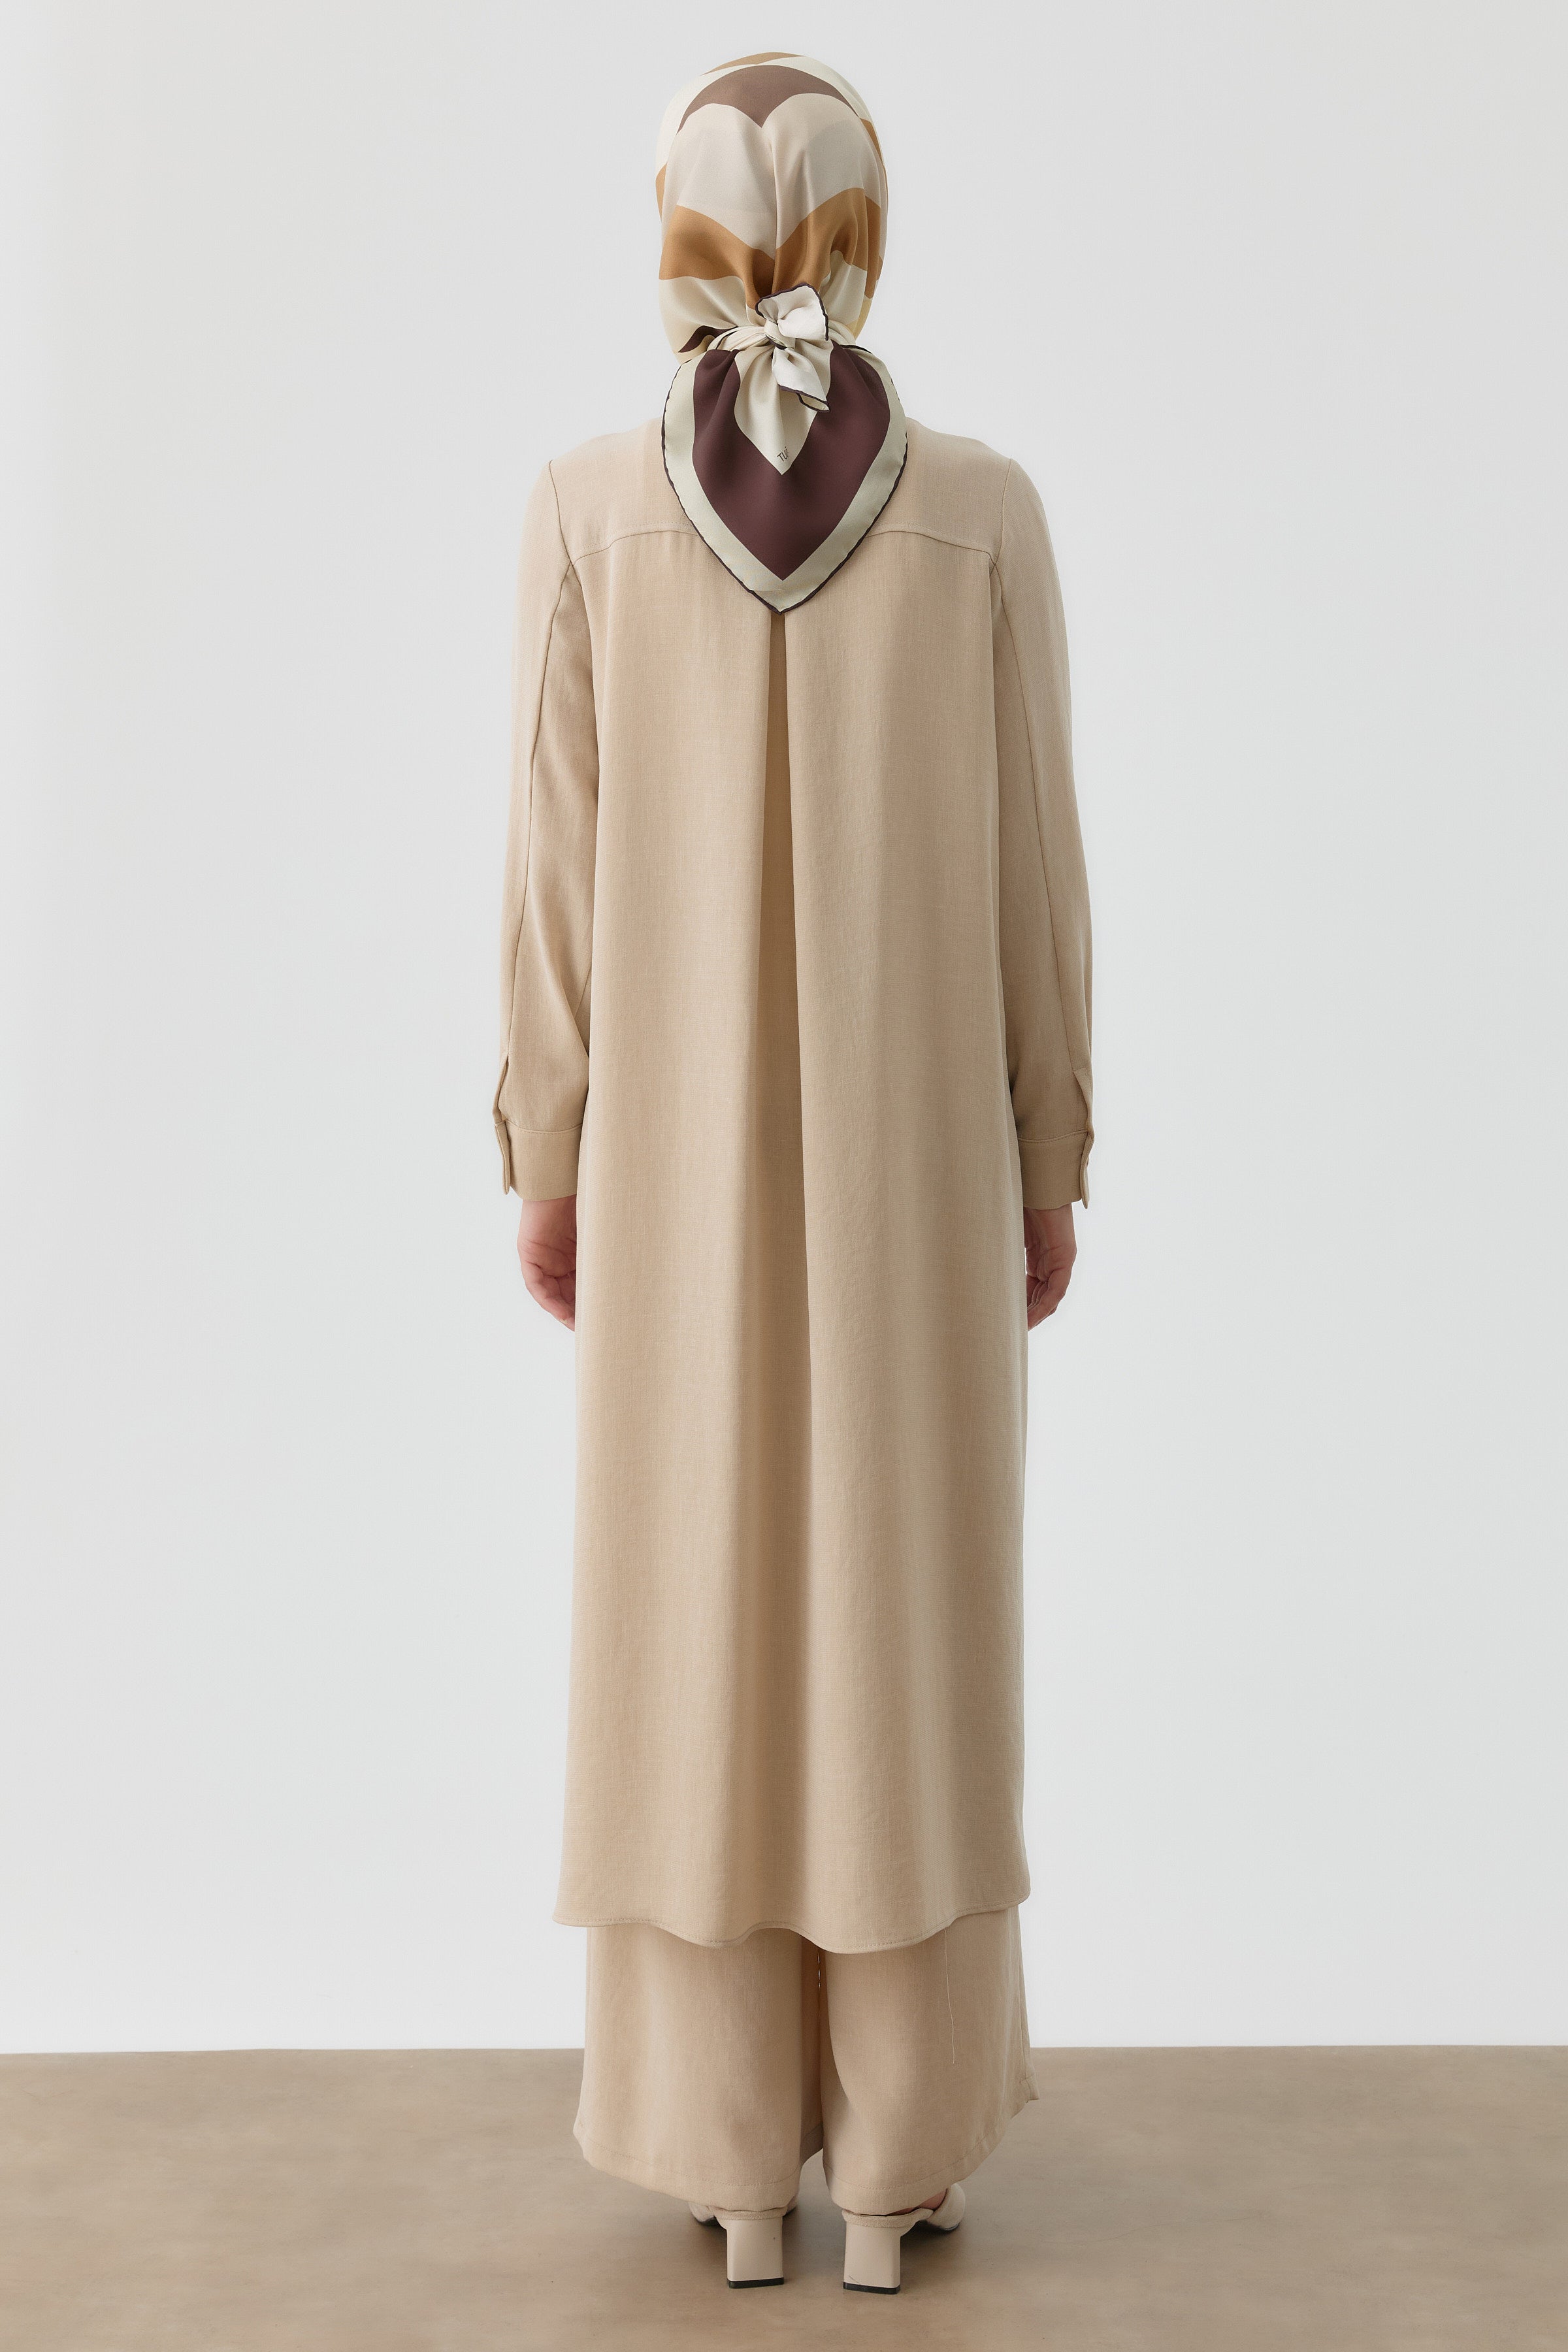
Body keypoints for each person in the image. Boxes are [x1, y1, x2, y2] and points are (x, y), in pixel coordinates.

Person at [495, 52, 1092, 2295]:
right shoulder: (983, 512)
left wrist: (551, 1143)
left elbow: (553, 882)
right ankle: (898, 2164)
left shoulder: (585, 509)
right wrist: (1048, 1142)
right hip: (924, 1173)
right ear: (866, 230)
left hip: (670, 1179)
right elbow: (1036, 867)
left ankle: (732, 2157)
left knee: (695, 1611)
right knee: (901, 1608)